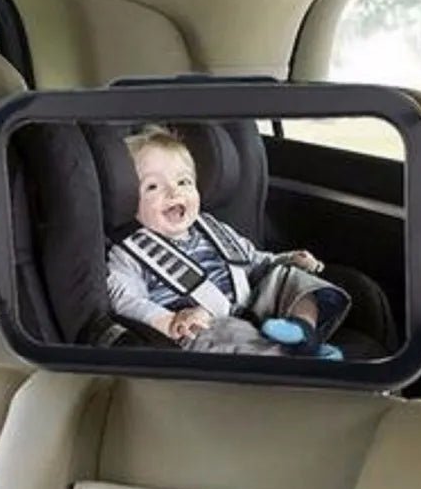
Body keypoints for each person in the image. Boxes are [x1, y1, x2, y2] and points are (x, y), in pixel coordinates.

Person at [106, 124, 350, 357]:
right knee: (227, 332)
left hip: (251, 306)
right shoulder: (129, 254)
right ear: (129, 199)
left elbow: (253, 260)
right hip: (205, 326)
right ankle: (298, 362)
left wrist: (286, 259)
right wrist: (169, 320)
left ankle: (302, 332)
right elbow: (126, 300)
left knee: (291, 278)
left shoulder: (212, 228)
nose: (174, 192)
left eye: (184, 182)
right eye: (152, 187)